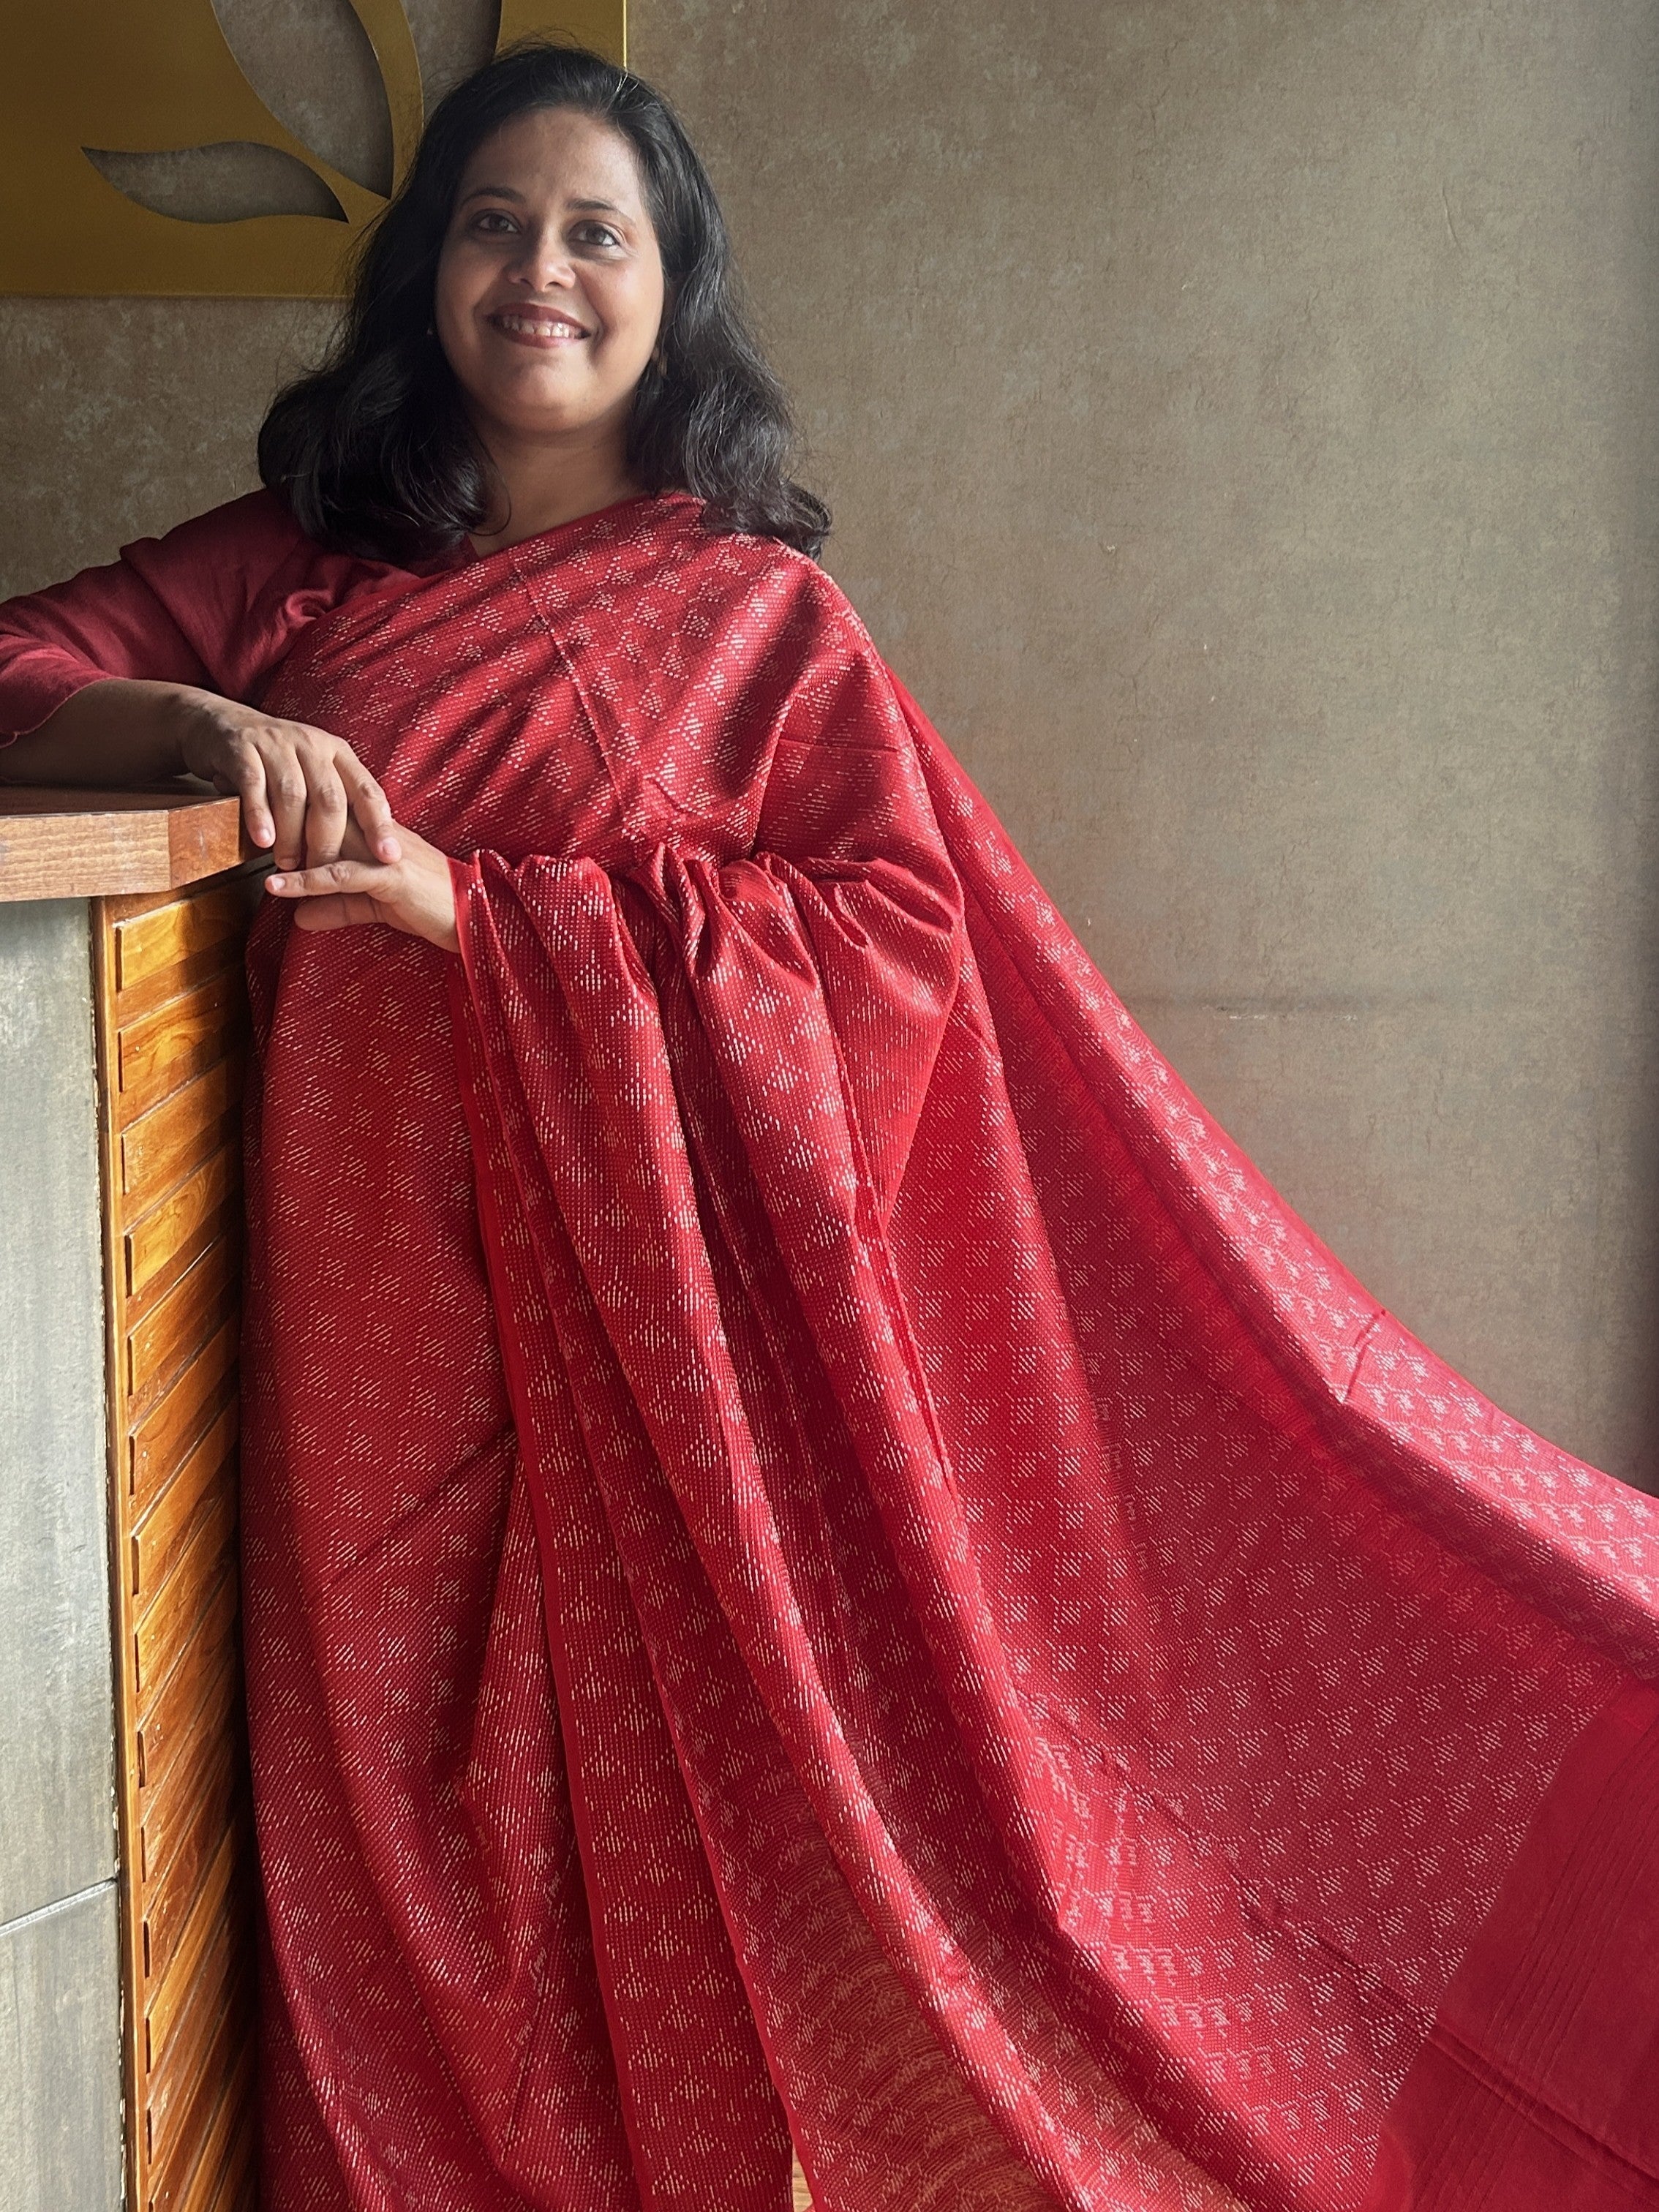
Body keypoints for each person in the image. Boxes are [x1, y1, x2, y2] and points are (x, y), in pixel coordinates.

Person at [1, 40, 1656, 2212]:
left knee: (671, 1872)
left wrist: (479, 918)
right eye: (492, 224)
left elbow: (892, 949)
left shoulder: (758, 618)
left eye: (597, 231)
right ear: (422, 273)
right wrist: (194, 714)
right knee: (398, 1850)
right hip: (368, 1345)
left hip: (664, 1354)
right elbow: (16, 672)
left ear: (672, 287)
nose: (539, 273)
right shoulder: (308, 567)